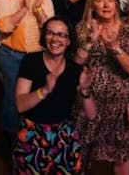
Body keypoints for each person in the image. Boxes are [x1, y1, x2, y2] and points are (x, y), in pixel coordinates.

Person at [13, 16, 97, 174]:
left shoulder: (75, 69)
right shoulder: (31, 61)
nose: (55, 39)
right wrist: (43, 91)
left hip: (64, 135)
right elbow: (20, 104)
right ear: (44, 37)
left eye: (61, 35)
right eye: (50, 33)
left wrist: (85, 91)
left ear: (69, 41)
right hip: (33, 132)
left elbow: (92, 114)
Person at [73, 0, 129, 175]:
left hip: (119, 105)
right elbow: (77, 63)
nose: (106, 5)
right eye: (100, 0)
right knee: (83, 151)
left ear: (116, 5)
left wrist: (116, 48)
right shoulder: (82, 29)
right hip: (90, 100)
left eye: (110, 0)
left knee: (121, 155)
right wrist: (89, 42)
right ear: (92, 6)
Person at [0, 0, 54, 143]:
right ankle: (10, 140)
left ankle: (32, 140)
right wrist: (23, 9)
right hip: (11, 55)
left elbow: (50, 30)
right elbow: (2, 26)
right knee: (13, 99)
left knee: (36, 97)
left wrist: (36, 8)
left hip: (37, 56)